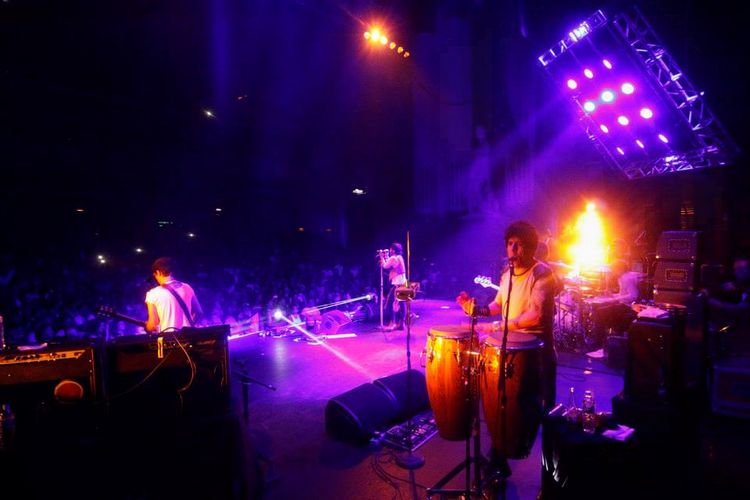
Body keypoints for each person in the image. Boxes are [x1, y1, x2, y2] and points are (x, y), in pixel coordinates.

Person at [457, 220, 558, 410]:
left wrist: (494, 326)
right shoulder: (507, 274)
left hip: (535, 352)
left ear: (531, 248)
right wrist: (474, 309)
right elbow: (498, 304)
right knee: (509, 407)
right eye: (510, 243)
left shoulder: (542, 274)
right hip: (510, 346)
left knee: (536, 411)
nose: (513, 248)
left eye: (519, 244)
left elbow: (535, 315)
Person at [145, 257, 203, 333]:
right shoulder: (187, 287)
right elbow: (199, 312)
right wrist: (189, 325)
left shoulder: (153, 293)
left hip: (168, 338)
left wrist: (147, 326)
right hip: (188, 336)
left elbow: (153, 324)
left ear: (158, 272)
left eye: (155, 275)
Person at [379, 242, 406, 331]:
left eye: (390, 249)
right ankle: (402, 324)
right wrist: (386, 256)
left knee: (392, 304)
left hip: (397, 285)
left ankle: (393, 324)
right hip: (404, 283)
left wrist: (381, 257)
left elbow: (385, 266)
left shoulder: (393, 258)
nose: (390, 250)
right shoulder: (400, 257)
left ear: (393, 250)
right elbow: (391, 263)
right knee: (402, 304)